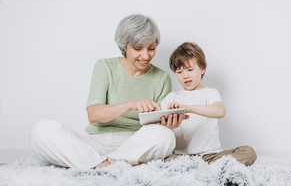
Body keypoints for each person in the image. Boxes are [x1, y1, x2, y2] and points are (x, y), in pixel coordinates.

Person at [30, 14, 184, 169]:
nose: (146, 55)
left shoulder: (162, 77)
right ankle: (114, 165)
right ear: (124, 46)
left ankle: (94, 164)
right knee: (42, 130)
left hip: (134, 145)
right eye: (138, 49)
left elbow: (156, 127)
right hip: (94, 144)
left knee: (166, 136)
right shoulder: (105, 67)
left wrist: (169, 123)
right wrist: (131, 104)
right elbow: (94, 115)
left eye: (151, 48)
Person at [162, 42, 257, 166]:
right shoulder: (171, 97)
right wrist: (167, 124)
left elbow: (220, 111)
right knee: (164, 160)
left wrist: (188, 108)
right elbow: (157, 122)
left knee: (248, 152)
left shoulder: (210, 93)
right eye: (179, 72)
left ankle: (203, 169)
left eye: (190, 70)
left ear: (202, 68)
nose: (185, 76)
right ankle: (200, 169)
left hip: (211, 156)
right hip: (182, 157)